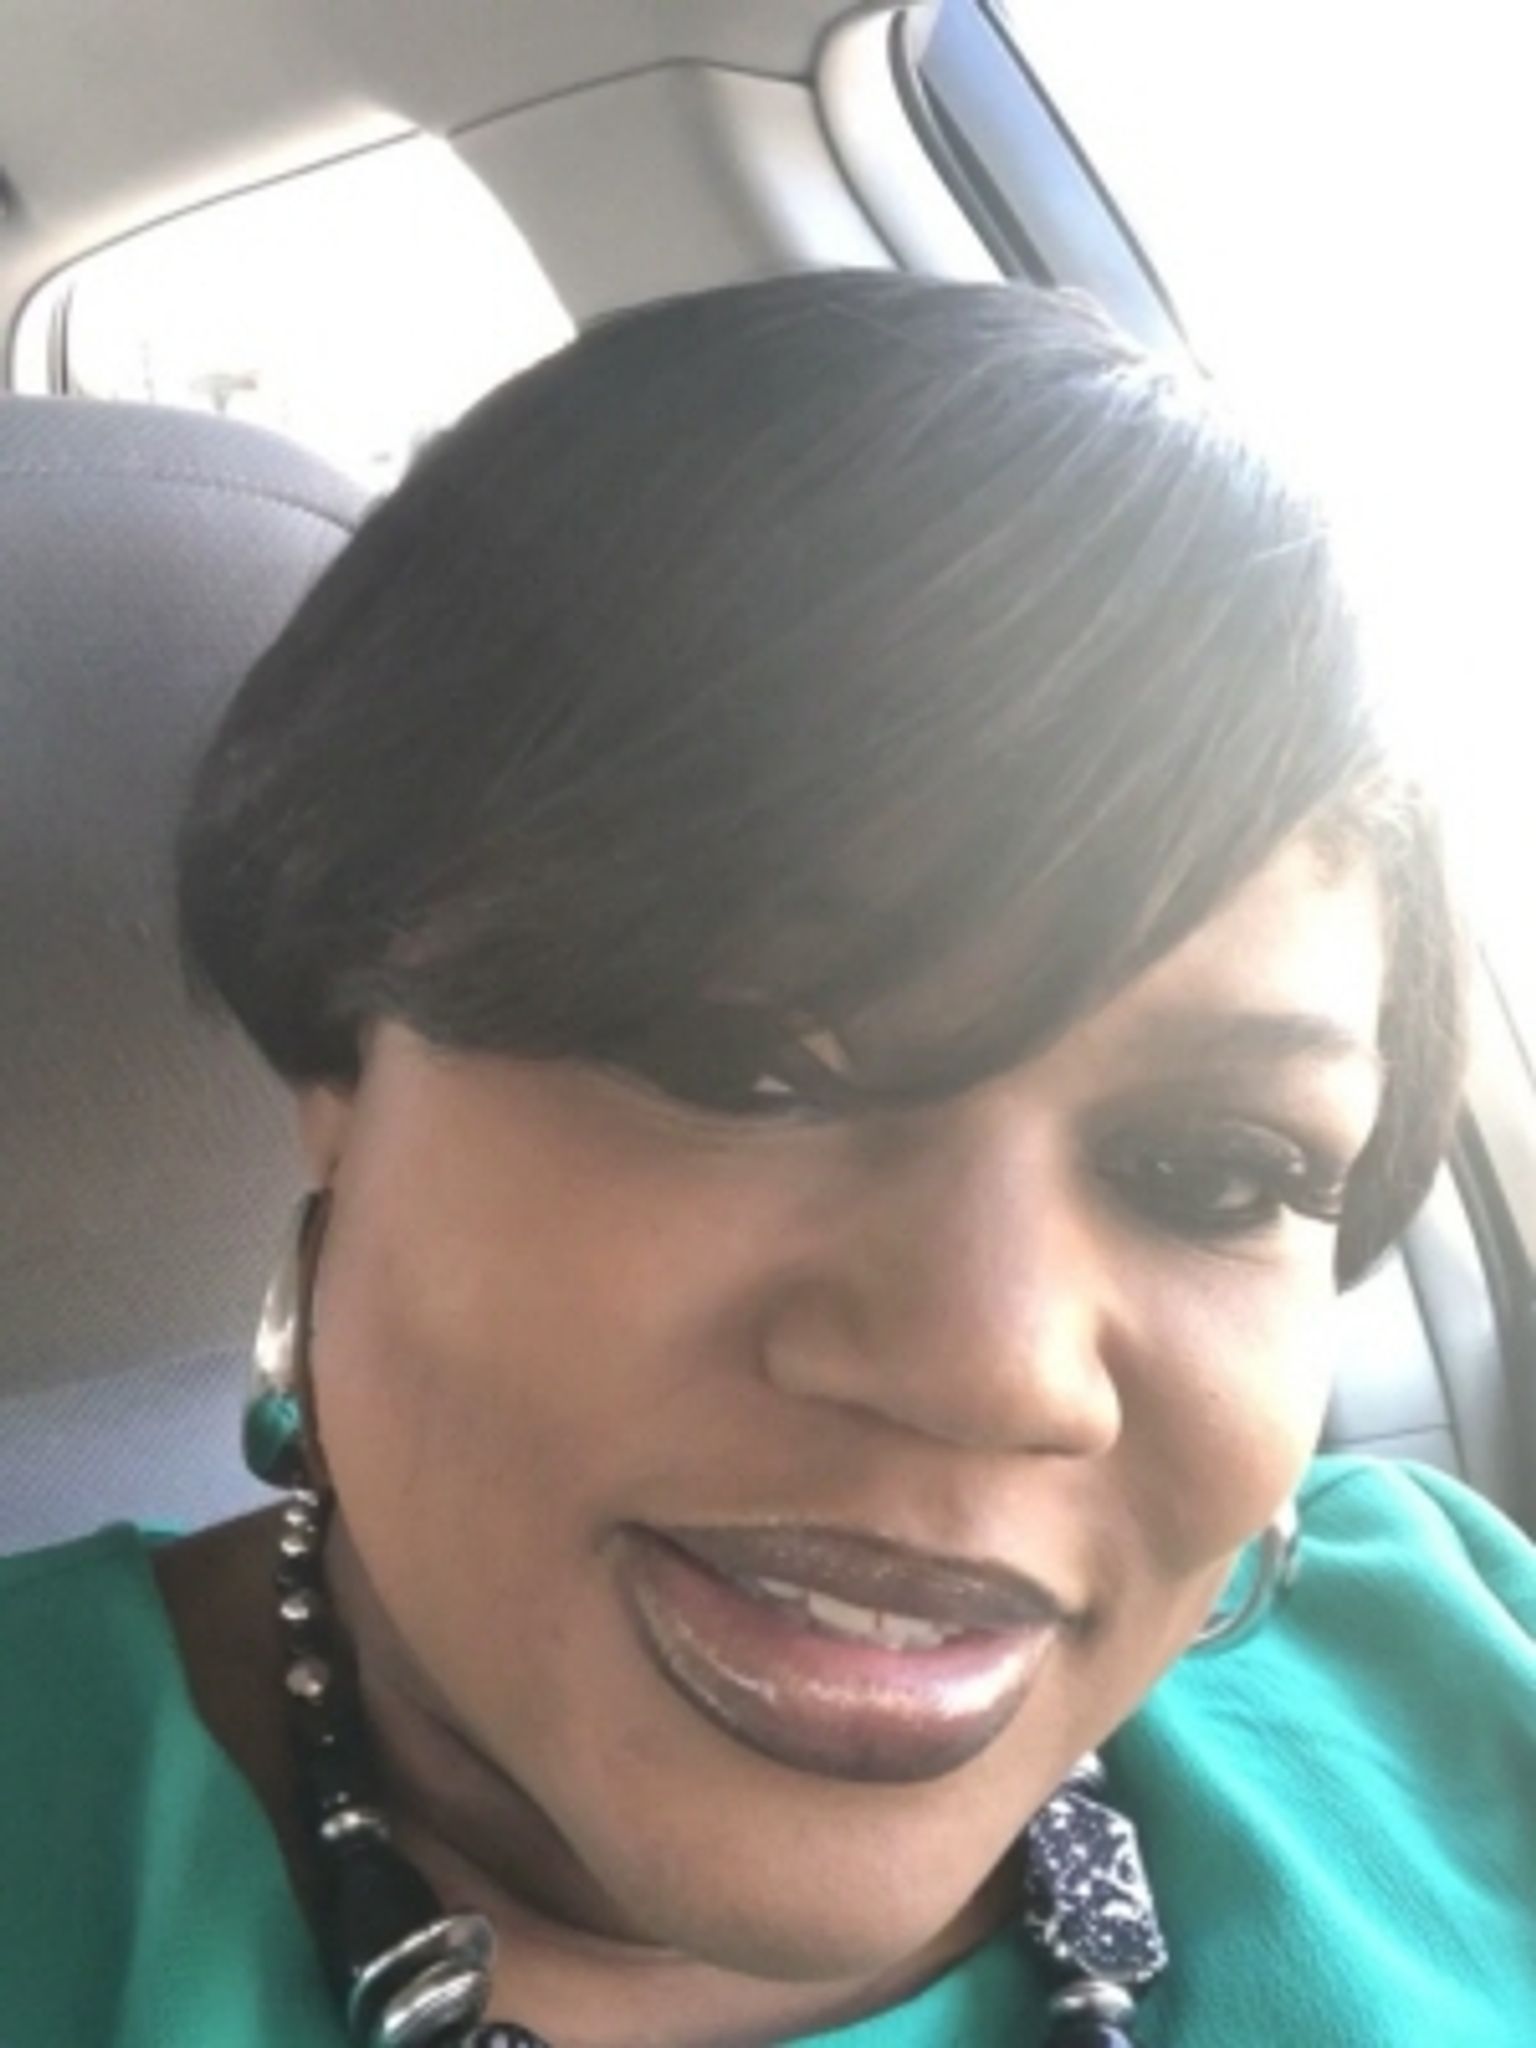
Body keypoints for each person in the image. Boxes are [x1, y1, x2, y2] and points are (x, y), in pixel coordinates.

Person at [1, 272, 1532, 2048]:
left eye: (1215, 1171)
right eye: (742, 1069)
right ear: (343, 1058)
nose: (995, 1369)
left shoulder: (1455, 1651)